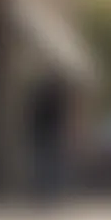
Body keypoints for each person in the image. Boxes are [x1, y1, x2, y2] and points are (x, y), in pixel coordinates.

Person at [27, 70, 70, 204]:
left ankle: (45, 191)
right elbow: (60, 117)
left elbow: (33, 115)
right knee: (51, 163)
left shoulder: (40, 97)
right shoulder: (56, 97)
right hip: (50, 133)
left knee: (44, 163)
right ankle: (51, 191)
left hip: (43, 133)